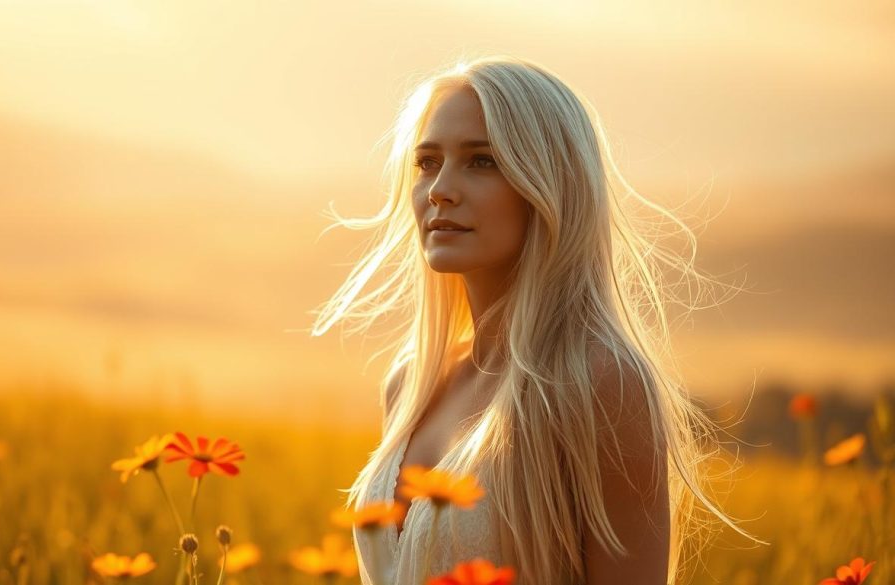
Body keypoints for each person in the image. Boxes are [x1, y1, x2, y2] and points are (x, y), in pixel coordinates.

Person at [310, 55, 765, 585]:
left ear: (550, 185)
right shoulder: (410, 382)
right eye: (428, 162)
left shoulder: (601, 382)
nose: (439, 189)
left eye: (482, 161)